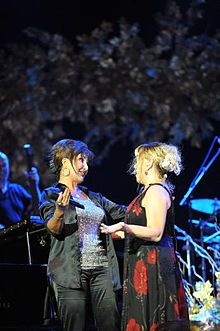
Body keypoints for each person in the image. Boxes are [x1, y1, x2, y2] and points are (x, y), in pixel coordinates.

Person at [100, 142, 190, 331]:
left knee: (156, 318)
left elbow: (156, 232)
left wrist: (124, 227)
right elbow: (142, 229)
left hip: (155, 267)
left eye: (137, 162)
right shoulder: (149, 191)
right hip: (146, 264)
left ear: (148, 163)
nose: (134, 168)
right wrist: (112, 233)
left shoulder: (156, 191)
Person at [39, 139, 126, 331]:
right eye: (81, 160)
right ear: (65, 163)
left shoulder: (94, 197)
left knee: (110, 324)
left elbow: (124, 212)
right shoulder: (50, 195)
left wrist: (150, 200)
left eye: (86, 161)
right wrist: (60, 211)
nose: (85, 167)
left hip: (101, 270)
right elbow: (53, 228)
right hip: (69, 273)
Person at [0, 151, 41, 229]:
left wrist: (34, 186)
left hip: (20, 236)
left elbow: (37, 209)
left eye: (4, 165)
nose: (1, 169)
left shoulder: (16, 189)